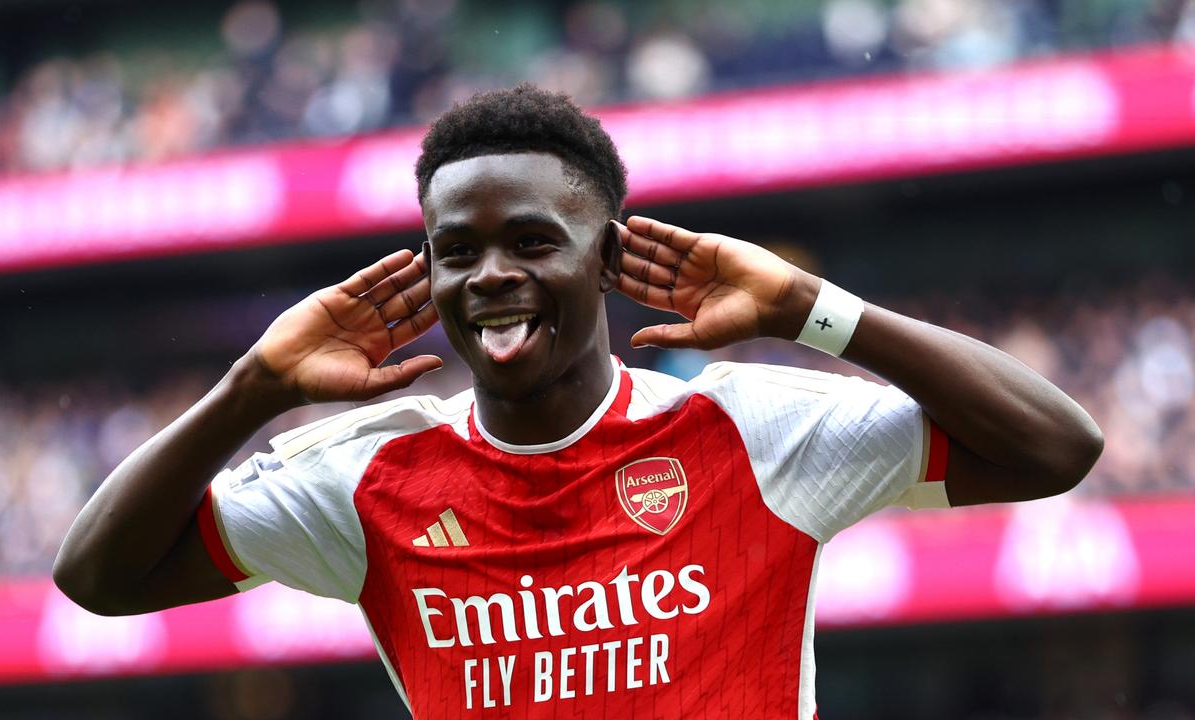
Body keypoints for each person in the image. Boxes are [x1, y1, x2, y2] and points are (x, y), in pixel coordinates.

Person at [54, 85, 1102, 719]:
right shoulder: (368, 480)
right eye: (453, 252)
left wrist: (811, 310)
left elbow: (1053, 446)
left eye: (530, 241)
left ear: (606, 258)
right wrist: (254, 390)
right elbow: (99, 576)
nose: (489, 275)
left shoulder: (747, 431)